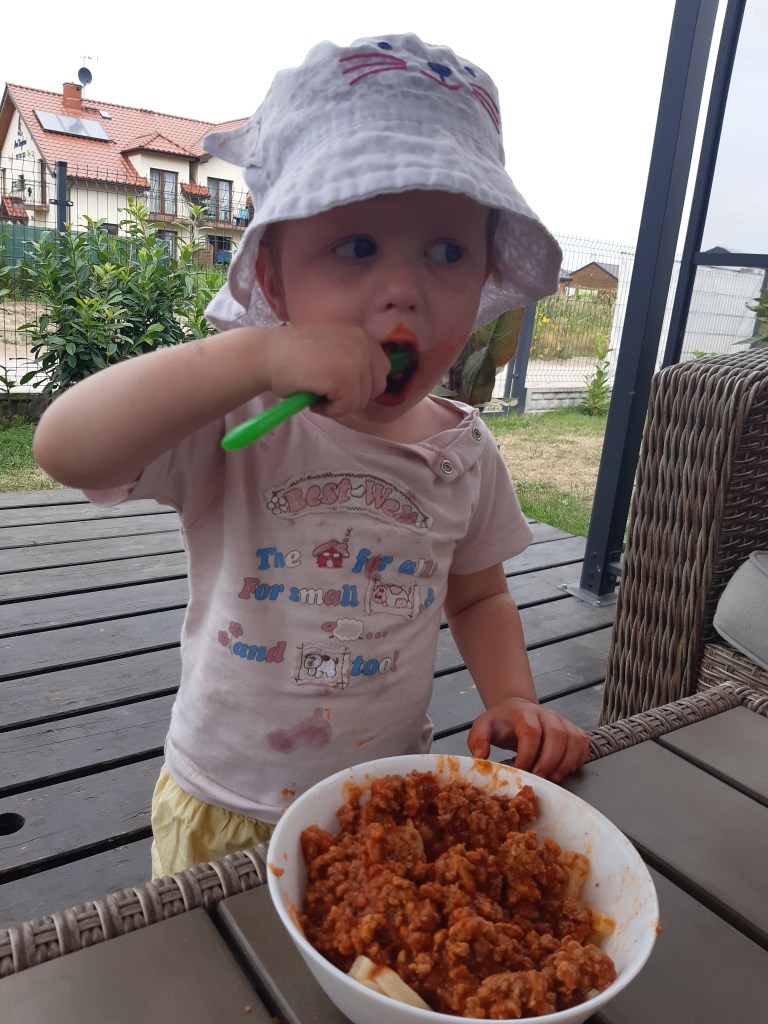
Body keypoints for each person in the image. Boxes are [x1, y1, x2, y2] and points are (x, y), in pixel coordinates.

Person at [33, 33, 591, 877]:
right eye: (357, 247)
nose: (404, 290)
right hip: (227, 803)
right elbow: (65, 447)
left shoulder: (463, 449)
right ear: (275, 280)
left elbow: (478, 595)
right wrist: (254, 356)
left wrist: (513, 698)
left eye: (447, 252)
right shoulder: (237, 419)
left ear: (483, 283)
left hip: (376, 806)